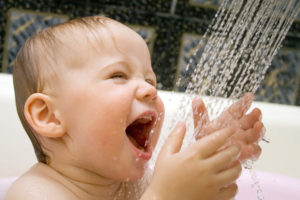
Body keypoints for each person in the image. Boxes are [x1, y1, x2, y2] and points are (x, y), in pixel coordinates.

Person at [5, 15, 264, 200]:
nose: (150, 89)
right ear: (49, 116)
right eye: (118, 75)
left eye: (150, 79)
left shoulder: (140, 185)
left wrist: (211, 161)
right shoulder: (36, 193)